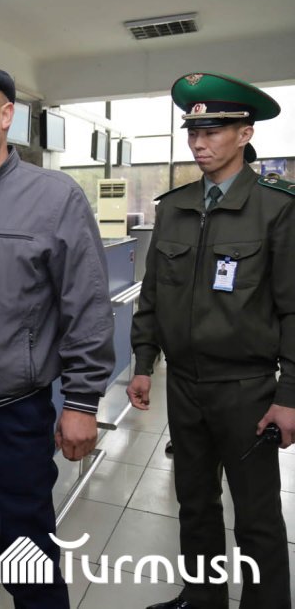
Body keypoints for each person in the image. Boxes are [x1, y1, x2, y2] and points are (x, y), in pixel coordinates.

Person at [0, 65, 115, 608]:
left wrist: (81, 402)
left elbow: (87, 304)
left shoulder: (54, 197)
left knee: (27, 563)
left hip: (12, 418)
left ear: (7, 115)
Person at [129, 71, 293, 609]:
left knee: (257, 515)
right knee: (195, 503)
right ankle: (202, 599)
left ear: (245, 134)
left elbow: (293, 308)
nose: (199, 143)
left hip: (246, 388)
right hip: (184, 385)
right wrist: (144, 362)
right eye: (193, 133)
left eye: (213, 131)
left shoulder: (277, 208)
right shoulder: (174, 207)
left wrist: (289, 395)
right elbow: (153, 293)